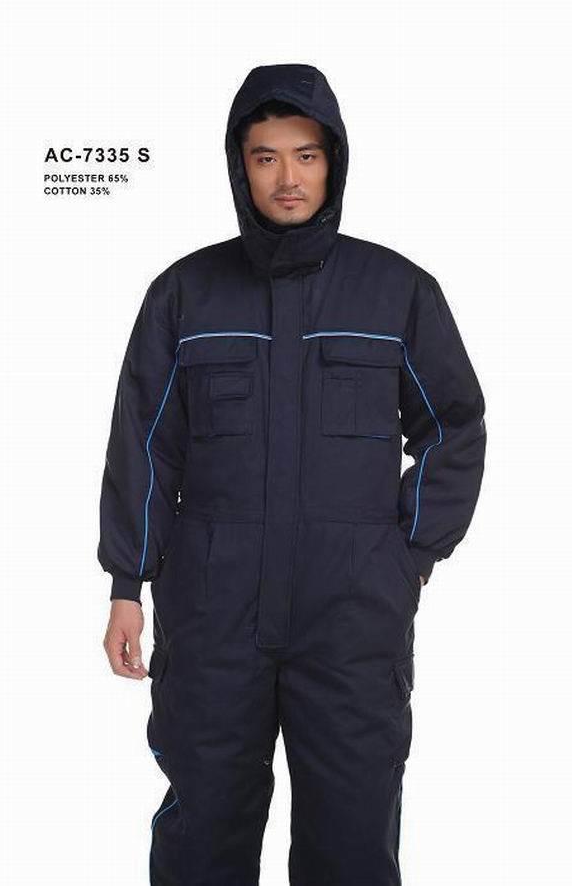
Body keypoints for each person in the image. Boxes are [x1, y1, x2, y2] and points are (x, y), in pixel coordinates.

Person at [98, 62, 487, 885]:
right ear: (238, 165)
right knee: (202, 833)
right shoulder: (184, 295)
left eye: (306, 156)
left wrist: (410, 553)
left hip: (352, 617)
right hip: (212, 615)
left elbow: (455, 424)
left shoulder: (397, 292)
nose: (287, 177)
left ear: (333, 163)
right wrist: (126, 585)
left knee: (351, 839)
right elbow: (144, 442)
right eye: (266, 156)